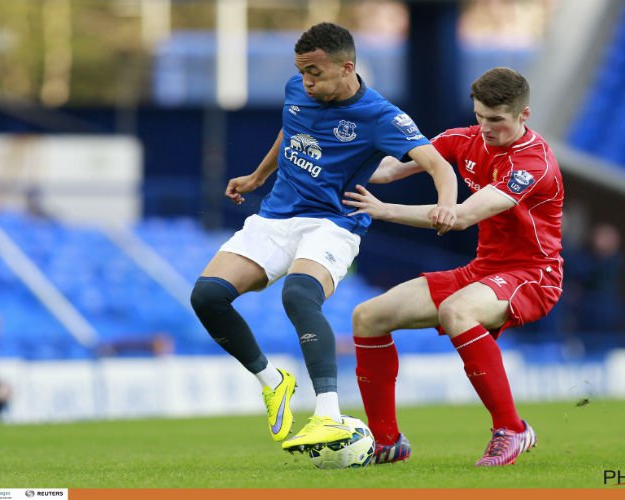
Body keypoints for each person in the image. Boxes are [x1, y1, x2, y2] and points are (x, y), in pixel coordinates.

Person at [189, 22, 457, 452]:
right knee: (206, 296)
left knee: (298, 294)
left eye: (314, 72)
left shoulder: (381, 115)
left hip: (334, 222)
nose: (306, 81)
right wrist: (258, 176)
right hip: (276, 216)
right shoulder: (297, 90)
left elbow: (439, 165)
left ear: (346, 67)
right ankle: (273, 381)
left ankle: (328, 415)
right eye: (301, 72)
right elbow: (291, 129)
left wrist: (447, 204)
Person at [343, 67, 563, 466]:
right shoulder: (463, 139)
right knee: (368, 317)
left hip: (533, 274)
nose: (485, 128)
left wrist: (384, 211)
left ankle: (512, 429)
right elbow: (391, 170)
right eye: (479, 116)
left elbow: (459, 217)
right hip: (483, 269)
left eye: (496, 119)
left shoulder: (533, 164)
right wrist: (332, 167)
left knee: (456, 310)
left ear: (523, 116)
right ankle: (387, 442)